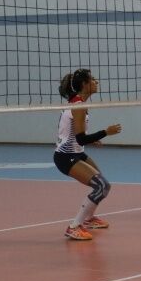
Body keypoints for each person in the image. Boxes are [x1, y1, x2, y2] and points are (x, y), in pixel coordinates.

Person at [55, 69, 122, 241]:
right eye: (92, 80)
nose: (96, 82)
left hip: (77, 153)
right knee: (102, 186)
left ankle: (89, 218)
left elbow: (76, 135)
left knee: (102, 185)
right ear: (84, 84)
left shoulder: (78, 103)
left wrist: (92, 140)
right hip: (66, 157)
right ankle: (74, 227)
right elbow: (81, 138)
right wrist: (105, 132)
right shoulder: (78, 106)